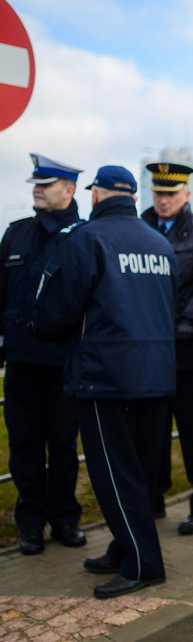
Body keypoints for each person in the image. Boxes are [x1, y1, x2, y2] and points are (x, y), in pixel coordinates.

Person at [29, 165, 175, 599]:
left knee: (114, 475)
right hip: (155, 373)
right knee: (141, 472)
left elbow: (59, 309)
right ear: (133, 196)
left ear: (95, 195)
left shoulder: (88, 238)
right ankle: (123, 547)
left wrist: (37, 328)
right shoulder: (159, 242)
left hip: (104, 375)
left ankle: (143, 565)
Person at [1, 153, 86, 556]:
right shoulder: (17, 234)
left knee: (64, 446)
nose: (37, 189)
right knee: (24, 447)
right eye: (36, 183)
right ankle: (31, 523)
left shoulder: (83, 237)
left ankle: (66, 520)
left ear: (69, 190)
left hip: (63, 363)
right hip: (21, 361)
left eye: (46, 184)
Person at [141, 162, 193, 535]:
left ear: (186, 194)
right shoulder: (140, 227)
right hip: (150, 346)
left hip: (192, 346)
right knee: (151, 429)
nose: (163, 200)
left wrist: (186, 322)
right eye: (158, 193)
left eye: (171, 194)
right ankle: (151, 499)